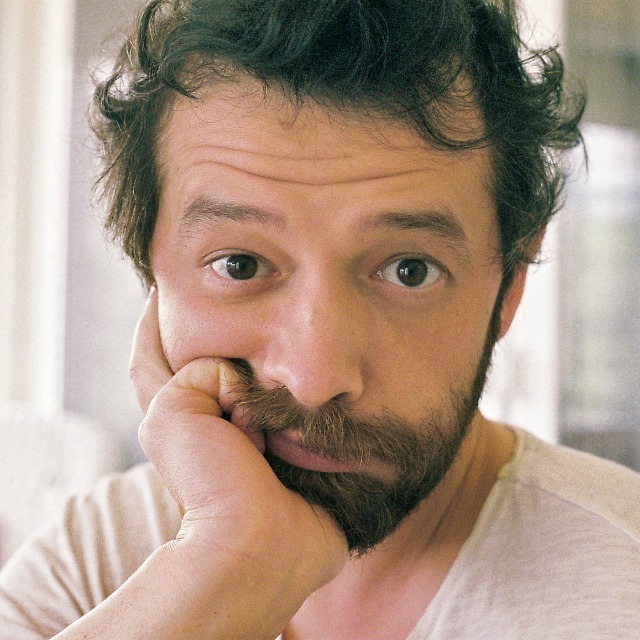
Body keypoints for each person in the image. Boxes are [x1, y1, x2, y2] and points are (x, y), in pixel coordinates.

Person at [1, 0, 639, 637]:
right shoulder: (92, 559)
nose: (313, 379)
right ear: (151, 279)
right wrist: (220, 569)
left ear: (510, 287)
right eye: (240, 265)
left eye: (409, 270)